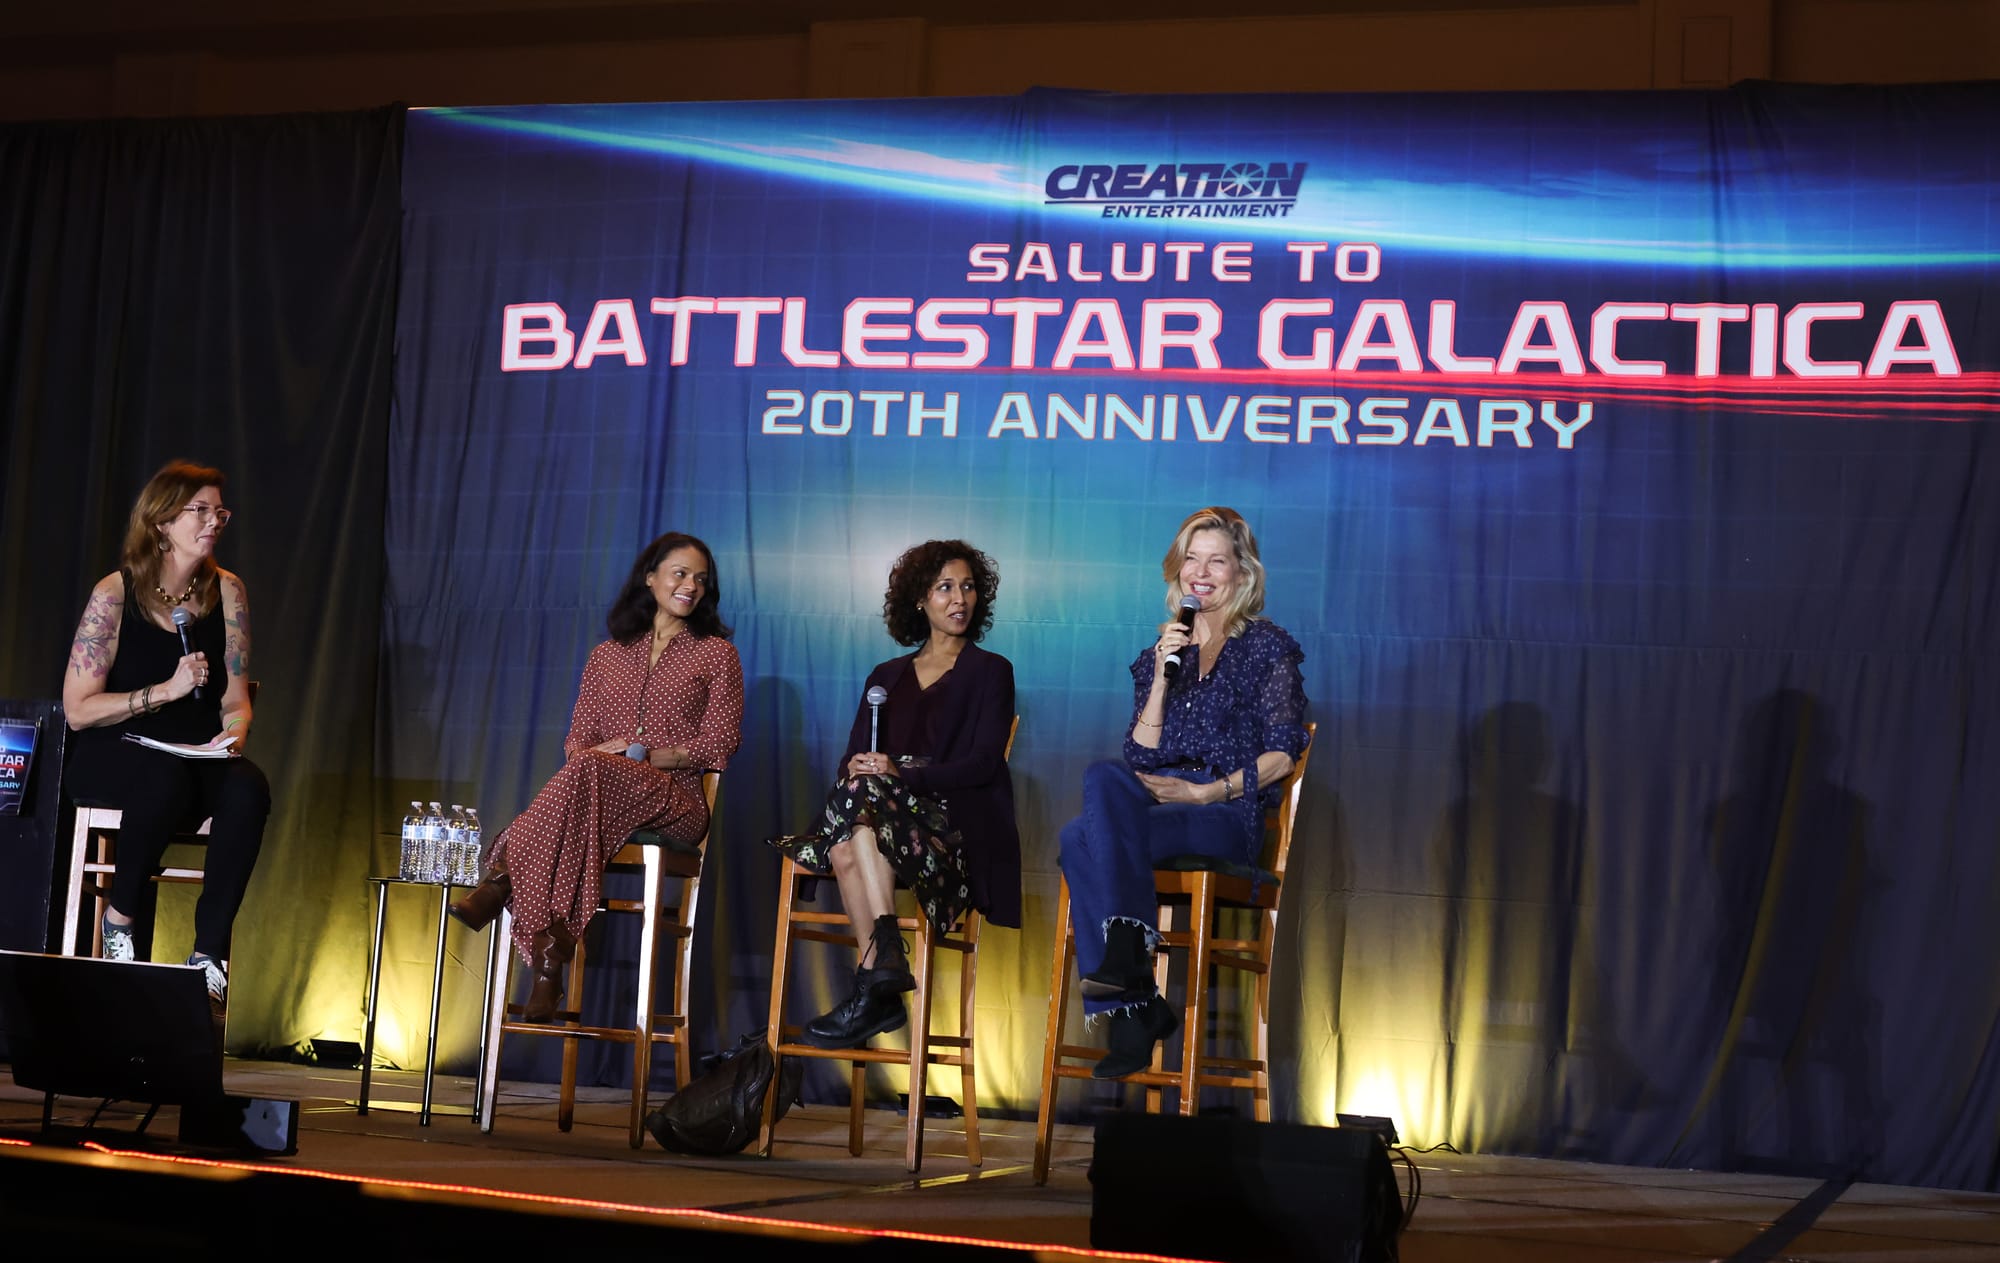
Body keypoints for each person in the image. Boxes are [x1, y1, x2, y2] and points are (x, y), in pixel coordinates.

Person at [449, 531, 744, 1022]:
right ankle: (551, 956)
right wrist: (599, 756)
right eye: (680, 573)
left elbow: (719, 746)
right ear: (650, 579)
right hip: (598, 798)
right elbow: (575, 744)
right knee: (585, 772)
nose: (690, 585)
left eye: (700, 579)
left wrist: (650, 756)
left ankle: (502, 880)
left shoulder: (716, 655)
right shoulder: (605, 656)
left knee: (586, 774)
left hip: (675, 801)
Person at [1057, 506, 1310, 1079]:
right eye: (1192, 559)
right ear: (1178, 571)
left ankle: (1130, 998)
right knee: (1103, 776)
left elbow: (1281, 754)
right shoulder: (1159, 655)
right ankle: (1134, 983)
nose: (1202, 571)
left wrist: (1203, 795)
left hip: (1223, 810)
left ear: (1241, 575)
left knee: (1079, 838)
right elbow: (1141, 755)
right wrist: (1163, 676)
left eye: (1217, 560)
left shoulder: (1266, 648)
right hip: (1156, 802)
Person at [769, 540, 1020, 1050]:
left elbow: (982, 764)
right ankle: (883, 968)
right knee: (851, 828)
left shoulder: (990, 670)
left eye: (968, 586)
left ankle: (876, 984)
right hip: (881, 819)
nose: (960, 599)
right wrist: (864, 766)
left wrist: (901, 776)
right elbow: (850, 760)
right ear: (919, 600)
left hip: (951, 827)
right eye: (945, 587)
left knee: (847, 834)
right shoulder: (884, 677)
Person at [62, 460, 271, 1020]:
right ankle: (120, 917)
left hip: (194, 753)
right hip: (119, 749)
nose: (213, 522)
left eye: (218, 511)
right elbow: (78, 710)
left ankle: (207, 955)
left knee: (248, 788)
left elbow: (234, 696)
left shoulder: (228, 592)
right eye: (199, 511)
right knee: (163, 777)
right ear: (160, 522)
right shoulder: (115, 593)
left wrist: (233, 733)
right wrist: (164, 691)